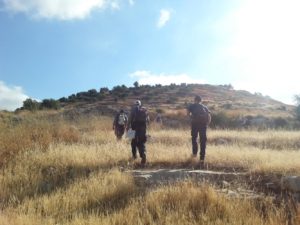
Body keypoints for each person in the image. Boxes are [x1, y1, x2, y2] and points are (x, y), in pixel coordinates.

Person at [187, 95, 211, 167]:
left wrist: (191, 119)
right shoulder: (205, 107)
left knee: (194, 139)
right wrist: (207, 124)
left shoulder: (192, 106)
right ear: (201, 100)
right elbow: (209, 117)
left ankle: (194, 155)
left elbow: (187, 113)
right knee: (203, 141)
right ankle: (202, 159)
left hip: (195, 125)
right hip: (203, 126)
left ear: (195, 100)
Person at [127, 100, 149, 165]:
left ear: (134, 104)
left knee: (133, 143)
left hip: (133, 128)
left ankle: (134, 156)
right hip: (142, 129)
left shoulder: (133, 110)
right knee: (141, 142)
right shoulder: (144, 110)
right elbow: (148, 121)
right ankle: (143, 154)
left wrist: (127, 127)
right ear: (140, 104)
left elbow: (129, 119)